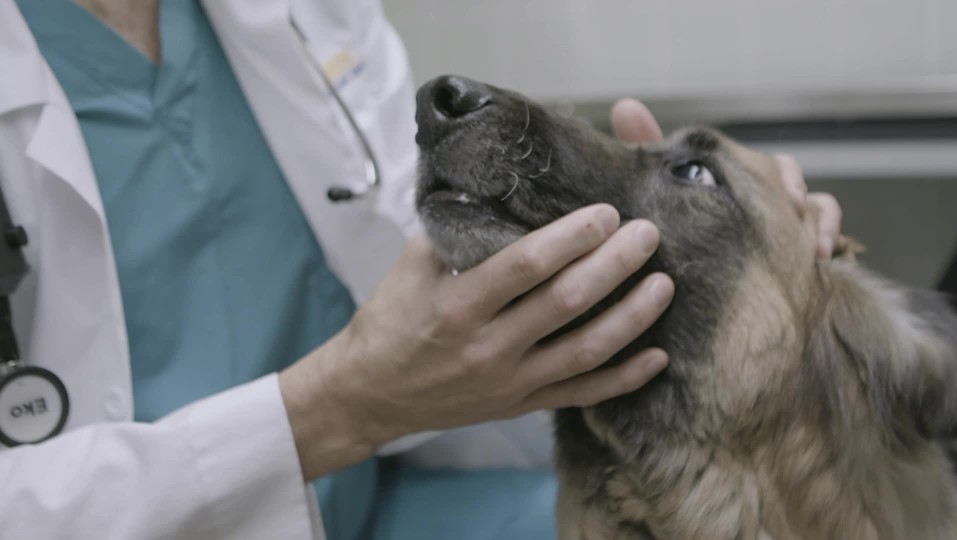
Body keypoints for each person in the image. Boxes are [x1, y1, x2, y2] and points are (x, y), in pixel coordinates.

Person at [0, 1, 843, 539]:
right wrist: (339, 407)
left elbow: (423, 247)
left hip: (380, 505)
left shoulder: (294, 12)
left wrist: (754, 227)